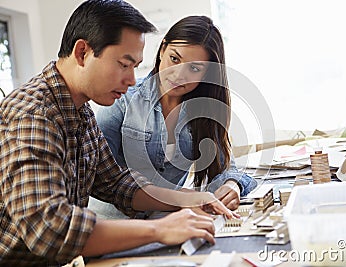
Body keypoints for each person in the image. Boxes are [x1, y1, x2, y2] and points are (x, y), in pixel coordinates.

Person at [0, 1, 236, 266]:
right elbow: (48, 228)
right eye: (125, 65)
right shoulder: (34, 114)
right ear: (82, 53)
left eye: (135, 66)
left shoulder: (80, 112)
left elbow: (116, 183)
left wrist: (187, 199)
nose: (133, 79)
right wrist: (161, 229)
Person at [95, 15, 257, 213]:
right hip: (114, 226)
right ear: (162, 50)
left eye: (194, 68)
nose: (179, 75)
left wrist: (233, 185)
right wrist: (181, 196)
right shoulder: (121, 100)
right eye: (174, 59)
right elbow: (98, 175)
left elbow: (224, 169)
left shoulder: (203, 111)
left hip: (168, 224)